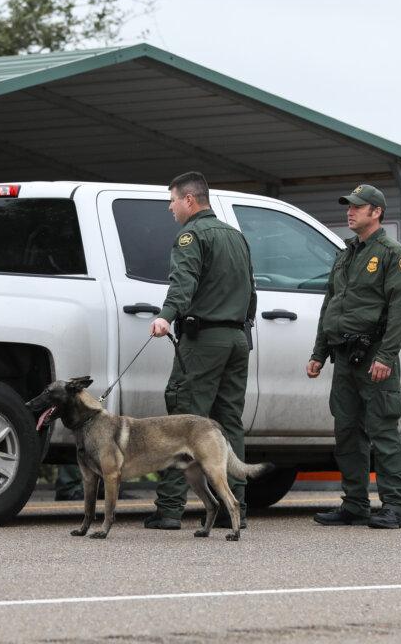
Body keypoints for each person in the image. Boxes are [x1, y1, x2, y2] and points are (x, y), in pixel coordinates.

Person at [144, 171, 256, 530]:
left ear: (189, 200)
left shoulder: (190, 236)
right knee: (228, 424)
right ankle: (233, 508)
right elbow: (250, 292)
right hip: (237, 340)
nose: (170, 207)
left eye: (173, 200)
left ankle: (170, 510)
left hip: (205, 341)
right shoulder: (235, 236)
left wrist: (165, 317)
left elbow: (183, 283)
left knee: (183, 423)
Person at [307, 184, 401, 529]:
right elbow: (330, 305)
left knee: (382, 431)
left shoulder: (391, 254)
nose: (349, 212)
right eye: (349, 206)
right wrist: (319, 353)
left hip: (374, 357)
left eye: (357, 207)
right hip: (344, 356)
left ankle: (396, 507)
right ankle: (355, 504)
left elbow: (400, 311)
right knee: (347, 432)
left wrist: (385, 356)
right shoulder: (347, 253)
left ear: (376, 212)